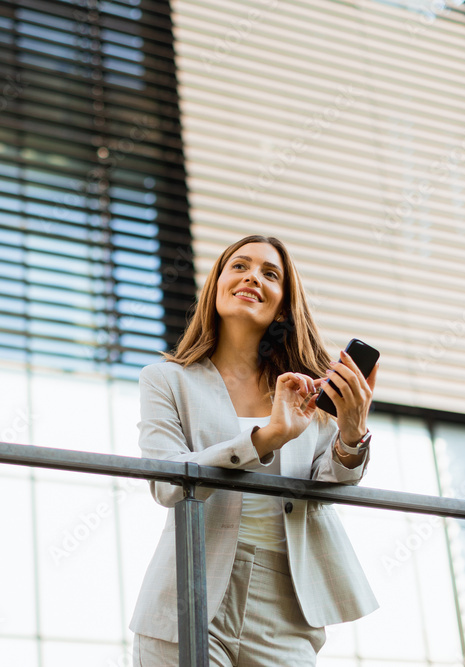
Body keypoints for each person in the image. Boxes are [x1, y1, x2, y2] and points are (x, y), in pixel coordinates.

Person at [129, 235, 379, 667]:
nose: (252, 278)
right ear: (218, 284)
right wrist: (266, 438)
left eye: (270, 273)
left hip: (286, 601)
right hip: (191, 591)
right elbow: (168, 484)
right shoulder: (165, 380)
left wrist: (351, 433)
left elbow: (329, 484)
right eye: (239, 266)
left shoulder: (309, 389)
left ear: (283, 303)